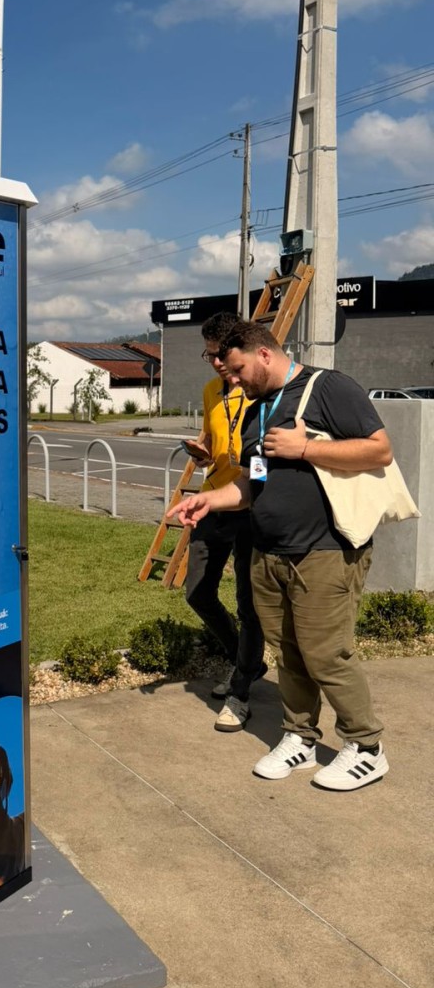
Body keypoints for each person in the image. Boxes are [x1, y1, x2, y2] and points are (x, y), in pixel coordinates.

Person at [170, 321, 392, 791]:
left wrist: (306, 447)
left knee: (326, 653)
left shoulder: (327, 387)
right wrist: (209, 499)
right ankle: (300, 736)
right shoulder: (256, 411)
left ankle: (367, 747)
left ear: (264, 354)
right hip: (269, 552)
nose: (233, 380)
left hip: (325, 549)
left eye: (237, 370)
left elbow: (380, 451)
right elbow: (255, 484)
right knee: (289, 653)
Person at [178, 312, 266, 732]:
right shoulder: (211, 390)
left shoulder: (257, 390)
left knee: (250, 605)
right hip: (215, 499)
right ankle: (244, 660)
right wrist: (202, 451)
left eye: (218, 355)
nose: (214, 363)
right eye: (208, 355)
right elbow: (215, 444)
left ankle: (242, 688)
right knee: (197, 591)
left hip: (250, 506)